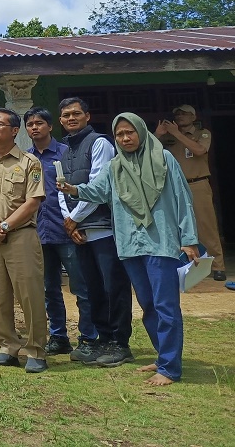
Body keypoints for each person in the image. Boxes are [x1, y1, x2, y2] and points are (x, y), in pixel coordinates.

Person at [59, 113, 200, 386]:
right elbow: (98, 191)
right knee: (148, 305)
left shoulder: (163, 159)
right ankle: (163, 356)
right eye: (120, 134)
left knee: (166, 306)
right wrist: (73, 189)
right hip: (130, 245)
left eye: (130, 132)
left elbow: (182, 198)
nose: (125, 138)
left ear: (141, 132)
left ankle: (170, 368)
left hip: (161, 242)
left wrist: (189, 238)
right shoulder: (115, 166)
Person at [0, 108, 48, 373]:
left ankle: (36, 350)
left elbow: (33, 201)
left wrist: (4, 226)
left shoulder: (29, 162)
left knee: (29, 295)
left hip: (20, 236)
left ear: (14, 130)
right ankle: (7, 347)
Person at [58, 96, 134, 368]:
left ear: (87, 116)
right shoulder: (65, 151)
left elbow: (100, 187)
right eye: (66, 115)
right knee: (93, 290)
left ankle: (120, 343)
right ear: (61, 120)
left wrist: (74, 218)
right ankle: (103, 339)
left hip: (104, 231)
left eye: (76, 113)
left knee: (114, 288)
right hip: (80, 233)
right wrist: (69, 220)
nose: (71, 118)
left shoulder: (100, 143)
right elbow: (61, 190)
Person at [24, 107, 97, 356]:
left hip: (67, 231)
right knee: (49, 289)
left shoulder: (67, 153)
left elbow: (81, 190)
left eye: (39, 123)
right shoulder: (26, 159)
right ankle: (58, 337)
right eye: (30, 124)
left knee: (81, 287)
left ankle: (89, 337)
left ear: (50, 126)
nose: (35, 128)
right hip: (38, 234)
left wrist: (77, 222)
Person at [156, 104, 225, 281]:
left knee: (206, 226)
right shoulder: (167, 136)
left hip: (197, 184)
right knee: (175, 227)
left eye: (184, 113)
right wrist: (158, 134)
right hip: (173, 186)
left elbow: (200, 150)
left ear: (193, 117)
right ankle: (186, 268)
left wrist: (177, 133)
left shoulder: (202, 133)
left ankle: (217, 266)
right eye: (177, 113)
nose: (180, 116)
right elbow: (147, 151)